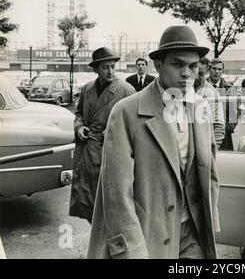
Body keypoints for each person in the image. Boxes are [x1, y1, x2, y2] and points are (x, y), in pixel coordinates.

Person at [87, 26, 220, 259]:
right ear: (158, 66)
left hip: (192, 234)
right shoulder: (126, 112)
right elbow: (116, 192)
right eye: (177, 64)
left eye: (193, 66)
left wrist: (209, 221)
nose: (187, 73)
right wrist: (132, 251)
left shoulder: (201, 107)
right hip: (148, 236)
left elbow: (209, 174)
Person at [69, 47, 136, 223]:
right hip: (87, 151)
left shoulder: (126, 90)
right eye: (105, 67)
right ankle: (96, 239)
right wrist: (80, 127)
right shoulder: (87, 89)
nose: (110, 71)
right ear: (96, 69)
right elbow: (79, 114)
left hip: (111, 152)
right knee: (88, 198)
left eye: (113, 66)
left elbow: (136, 122)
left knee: (111, 201)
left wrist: (116, 130)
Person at [207, 58, 238, 151]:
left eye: (219, 69)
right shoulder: (201, 85)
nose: (216, 72)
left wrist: (226, 128)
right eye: (214, 68)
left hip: (223, 133)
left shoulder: (229, 88)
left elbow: (234, 113)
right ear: (209, 69)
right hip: (203, 131)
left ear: (222, 71)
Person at [194, 57, 225, 148]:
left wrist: (213, 151)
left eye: (200, 74)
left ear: (206, 71)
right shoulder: (181, 88)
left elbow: (218, 126)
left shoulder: (213, 93)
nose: (196, 77)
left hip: (204, 145)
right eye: (194, 72)